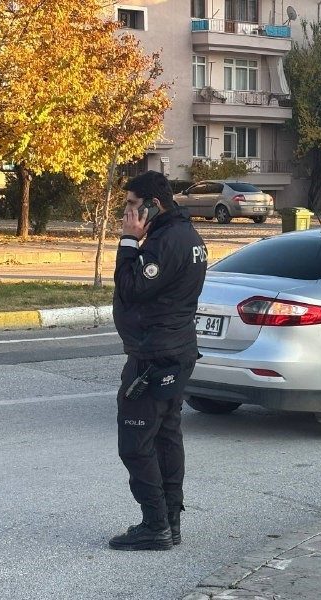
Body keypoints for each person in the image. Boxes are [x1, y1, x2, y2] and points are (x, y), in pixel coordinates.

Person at [109, 171, 207, 551]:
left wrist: (128, 240)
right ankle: (170, 523)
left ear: (153, 204)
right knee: (166, 437)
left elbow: (130, 287)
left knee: (136, 443)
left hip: (154, 355)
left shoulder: (165, 242)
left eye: (133, 205)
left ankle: (155, 525)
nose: (127, 213)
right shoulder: (186, 235)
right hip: (175, 350)